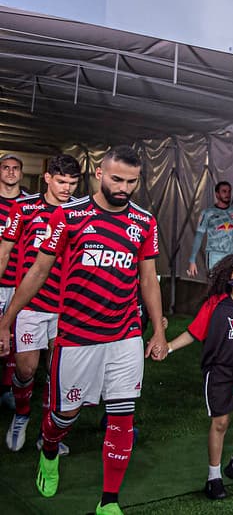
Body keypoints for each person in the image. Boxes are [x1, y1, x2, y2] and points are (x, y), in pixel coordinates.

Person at [0, 145, 168, 514]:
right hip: (76, 338)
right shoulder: (69, 216)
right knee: (63, 417)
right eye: (117, 179)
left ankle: (109, 501)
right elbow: (38, 272)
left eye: (132, 181)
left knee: (123, 414)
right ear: (100, 175)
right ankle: (48, 449)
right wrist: (7, 319)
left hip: (125, 336)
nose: (124, 187)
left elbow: (148, 279)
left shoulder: (144, 221)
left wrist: (157, 331)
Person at [165, 252, 233, 500]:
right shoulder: (216, 304)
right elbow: (193, 333)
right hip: (219, 370)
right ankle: (214, 477)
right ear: (228, 275)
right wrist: (167, 347)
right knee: (220, 423)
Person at [0, 154, 80, 454]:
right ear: (47, 177)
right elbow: (5, 251)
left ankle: (48, 433)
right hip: (31, 304)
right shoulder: (24, 208)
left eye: (72, 183)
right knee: (26, 369)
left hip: (67, 308)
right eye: (61, 181)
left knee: (57, 374)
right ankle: (21, 415)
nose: (66, 188)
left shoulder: (80, 212)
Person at [0, 153, 25, 411]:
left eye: (15, 168)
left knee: (14, 337)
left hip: (20, 284)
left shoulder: (29, 205)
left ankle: (7, 389)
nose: (10, 172)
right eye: (5, 168)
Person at [188, 181, 233, 277]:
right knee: (216, 285)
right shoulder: (207, 213)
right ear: (217, 194)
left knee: (229, 285)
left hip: (231, 254)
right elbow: (199, 236)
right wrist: (192, 260)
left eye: (229, 191)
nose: (227, 194)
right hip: (214, 255)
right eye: (224, 191)